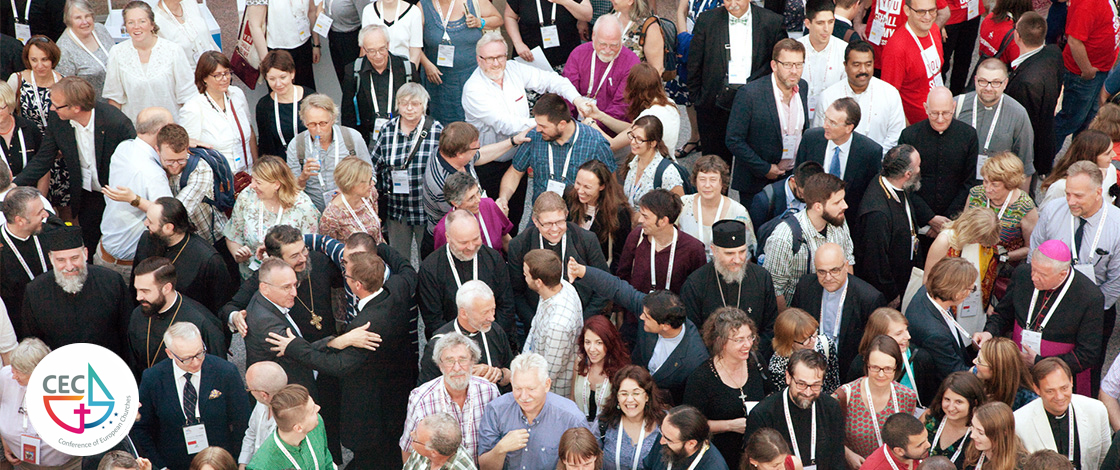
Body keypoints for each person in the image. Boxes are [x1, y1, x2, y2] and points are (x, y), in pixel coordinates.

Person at [263, 247, 416, 469]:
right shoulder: (397, 291)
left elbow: (339, 365)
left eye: (348, 274)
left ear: (358, 286)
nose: (345, 276)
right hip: (396, 395)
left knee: (373, 459)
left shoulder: (366, 324)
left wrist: (294, 347)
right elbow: (407, 269)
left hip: (371, 411)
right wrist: (382, 246)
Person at [15, 77, 135, 251]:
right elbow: (43, 159)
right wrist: (14, 184)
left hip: (118, 195)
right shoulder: (58, 120)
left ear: (76, 108)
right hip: (87, 194)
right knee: (89, 241)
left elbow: (132, 163)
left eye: (56, 105)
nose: (51, 108)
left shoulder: (116, 123)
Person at [977, 241, 1104, 396]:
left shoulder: (1090, 297)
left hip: (1059, 375)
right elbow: (1003, 314)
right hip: (1018, 367)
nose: (1033, 278)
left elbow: (1088, 353)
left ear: (1062, 274)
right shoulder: (1022, 274)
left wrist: (1039, 362)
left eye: (1042, 274)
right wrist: (989, 333)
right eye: (1033, 270)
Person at [574, 259, 709, 404]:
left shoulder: (695, 358)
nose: (640, 316)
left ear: (665, 326)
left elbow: (690, 402)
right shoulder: (651, 307)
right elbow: (617, 288)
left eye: (647, 317)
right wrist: (582, 271)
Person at [132, 322, 252, 470]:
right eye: (187, 358)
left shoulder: (225, 372)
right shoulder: (153, 378)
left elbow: (243, 422)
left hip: (218, 463)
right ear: (170, 354)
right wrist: (160, 466)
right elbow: (142, 428)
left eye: (199, 353)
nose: (195, 362)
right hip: (174, 464)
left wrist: (237, 461)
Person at [1030, 160, 1120, 355]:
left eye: (1078, 196)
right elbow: (1035, 251)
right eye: (1068, 194)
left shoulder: (1117, 225)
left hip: (1095, 309)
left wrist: (1087, 310)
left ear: (1098, 192)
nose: (1070, 201)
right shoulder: (1052, 210)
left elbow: (1116, 281)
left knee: (1087, 367)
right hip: (1049, 299)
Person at [686, 0, 786, 161]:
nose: (732, 3)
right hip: (714, 104)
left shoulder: (772, 21)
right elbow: (694, 62)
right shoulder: (707, 20)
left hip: (755, 104)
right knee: (715, 165)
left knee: (752, 164)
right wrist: (699, 100)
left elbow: (777, 64)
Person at [495, 92, 612, 222]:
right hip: (541, 216)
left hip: (577, 219)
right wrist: (504, 198)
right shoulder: (534, 137)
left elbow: (610, 182)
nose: (538, 129)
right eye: (537, 124)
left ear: (562, 124)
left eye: (543, 126)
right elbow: (515, 171)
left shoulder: (595, 142)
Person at [22, 222, 131, 357]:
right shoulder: (36, 291)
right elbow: (32, 341)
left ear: (85, 254)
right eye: (61, 260)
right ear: (51, 258)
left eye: (74, 258)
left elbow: (127, 333)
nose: (69, 266)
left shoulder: (111, 282)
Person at [726, 39, 810, 201]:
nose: (794, 71)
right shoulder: (750, 94)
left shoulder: (803, 88)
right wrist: (764, 168)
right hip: (757, 182)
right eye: (788, 65)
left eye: (799, 65)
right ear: (774, 65)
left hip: (791, 179)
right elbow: (734, 139)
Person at [95, 107, 175, 275]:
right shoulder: (152, 173)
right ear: (160, 131)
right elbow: (168, 215)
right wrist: (135, 200)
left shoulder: (124, 148)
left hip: (104, 250)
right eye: (171, 128)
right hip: (128, 264)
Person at [789, 242, 886, 380]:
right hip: (808, 367)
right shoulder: (805, 287)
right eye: (821, 271)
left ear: (846, 266)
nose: (828, 277)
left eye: (834, 270)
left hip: (848, 372)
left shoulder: (869, 299)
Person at [684, 308, 768, 465]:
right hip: (720, 456)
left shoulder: (756, 362)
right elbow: (691, 425)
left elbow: (770, 395)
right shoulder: (701, 378)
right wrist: (730, 425)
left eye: (750, 337)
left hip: (756, 454)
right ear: (720, 341)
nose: (748, 344)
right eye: (739, 340)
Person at [477, 352, 590, 469]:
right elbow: (485, 467)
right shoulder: (496, 410)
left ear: (547, 385)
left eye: (531, 389)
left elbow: (586, 463)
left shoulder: (571, 418)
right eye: (518, 388)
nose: (524, 396)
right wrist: (501, 448)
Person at [422, 122, 524, 251]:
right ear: (459, 153)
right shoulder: (442, 186)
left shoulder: (448, 153)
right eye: (475, 148)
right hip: (454, 240)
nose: (478, 149)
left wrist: (514, 141)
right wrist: (496, 212)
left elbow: (480, 155)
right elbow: (465, 218)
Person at [680, 219, 779, 352]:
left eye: (742, 252)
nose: (737, 260)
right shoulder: (696, 283)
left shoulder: (761, 277)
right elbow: (692, 334)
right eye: (729, 253)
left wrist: (749, 355)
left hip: (753, 356)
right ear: (714, 251)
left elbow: (770, 327)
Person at [370, 82, 442, 264]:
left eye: (415, 104)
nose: (409, 108)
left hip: (425, 209)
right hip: (396, 210)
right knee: (398, 260)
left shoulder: (437, 131)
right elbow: (373, 164)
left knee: (428, 259)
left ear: (424, 105)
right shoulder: (387, 129)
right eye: (404, 103)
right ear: (397, 105)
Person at [510, 195, 609, 325]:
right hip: (538, 320)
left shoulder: (587, 240)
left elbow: (603, 286)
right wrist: (535, 322)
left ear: (566, 214)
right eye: (548, 224)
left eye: (560, 222)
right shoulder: (519, 245)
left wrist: (582, 322)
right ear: (535, 221)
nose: (555, 229)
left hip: (580, 320)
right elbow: (516, 292)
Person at [403, 333, 503, 460]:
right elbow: (408, 448)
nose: (457, 368)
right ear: (440, 365)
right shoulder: (421, 398)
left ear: (473, 362)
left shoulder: (489, 391)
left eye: (462, 360)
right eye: (450, 361)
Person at [763, 172, 855, 309]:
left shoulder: (838, 219)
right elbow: (776, 290)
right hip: (798, 315)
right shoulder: (784, 238)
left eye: (843, 199)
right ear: (818, 207)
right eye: (837, 202)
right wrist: (789, 326)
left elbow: (848, 262)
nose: (845, 205)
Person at [418, 210, 516, 337]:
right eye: (463, 243)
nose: (471, 247)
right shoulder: (430, 269)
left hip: (492, 336)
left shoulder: (493, 259)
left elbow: (506, 305)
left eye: (476, 239)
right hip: (451, 344)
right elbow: (434, 320)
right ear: (448, 238)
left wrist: (492, 337)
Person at [854, 145, 932, 306]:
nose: (920, 169)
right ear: (907, 174)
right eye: (918, 165)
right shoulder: (877, 213)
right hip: (890, 290)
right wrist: (891, 295)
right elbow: (875, 261)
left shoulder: (896, 186)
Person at [744, 349, 845, 470]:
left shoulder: (831, 408)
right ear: (788, 377)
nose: (808, 392)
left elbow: (837, 460)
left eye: (815, 385)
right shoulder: (763, 414)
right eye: (801, 384)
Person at [127, 256, 226, 376]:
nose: (138, 297)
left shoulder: (202, 322)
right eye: (137, 290)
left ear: (166, 288)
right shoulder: (138, 314)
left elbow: (218, 371)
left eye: (145, 291)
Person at [224, 156, 320, 279]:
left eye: (258, 182)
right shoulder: (247, 196)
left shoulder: (303, 207)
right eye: (253, 179)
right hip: (252, 277)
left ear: (276, 184)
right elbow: (233, 235)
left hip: (289, 279)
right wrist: (238, 255)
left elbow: (310, 250)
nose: (252, 185)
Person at [835, 335, 921, 465]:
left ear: (897, 367)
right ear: (867, 364)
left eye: (887, 369)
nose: (881, 375)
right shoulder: (845, 395)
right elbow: (827, 434)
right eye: (875, 367)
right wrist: (847, 454)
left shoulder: (907, 397)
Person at [102, 2, 193, 122]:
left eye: (142, 21)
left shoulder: (174, 50)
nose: (136, 26)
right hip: (136, 132)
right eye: (131, 22)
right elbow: (115, 99)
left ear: (152, 24)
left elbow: (188, 96)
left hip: (170, 130)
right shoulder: (116, 52)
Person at [1014, 358, 1111, 470]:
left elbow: (1106, 460)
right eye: (1050, 391)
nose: (1059, 397)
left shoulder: (1096, 410)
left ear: (1071, 382)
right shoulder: (1019, 422)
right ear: (1037, 389)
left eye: (1064, 388)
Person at [418, 0, 503, 126]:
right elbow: (411, 41)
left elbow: (498, 19)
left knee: (475, 124)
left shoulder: (474, 2)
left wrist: (480, 22)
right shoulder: (423, 6)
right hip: (438, 81)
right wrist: (426, 64)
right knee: (443, 126)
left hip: (473, 76)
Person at [899, 87, 978, 221]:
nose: (940, 119)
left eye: (946, 113)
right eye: (934, 113)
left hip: (954, 219)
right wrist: (929, 218)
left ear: (954, 107)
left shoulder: (968, 135)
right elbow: (904, 180)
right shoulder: (909, 136)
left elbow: (969, 182)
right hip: (917, 218)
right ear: (926, 108)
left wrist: (946, 220)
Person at [905, 258, 978, 401]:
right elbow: (956, 372)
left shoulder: (927, 291)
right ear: (957, 293)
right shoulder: (935, 335)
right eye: (971, 288)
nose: (971, 292)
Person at [0, 338, 80, 468]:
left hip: (65, 465)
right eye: (13, 369)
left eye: (20, 373)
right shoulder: (6, 377)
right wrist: (5, 440)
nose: (14, 376)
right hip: (23, 463)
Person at [1050, 0, 1119, 151]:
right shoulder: (1086, 5)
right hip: (1083, 76)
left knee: (1088, 120)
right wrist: (1086, 69)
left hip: (1100, 71)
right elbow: (1074, 41)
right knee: (1070, 120)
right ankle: (1045, 163)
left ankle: (1077, 157)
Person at [815, 42, 906, 154]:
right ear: (845, 65)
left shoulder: (890, 94)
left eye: (868, 64)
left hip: (879, 164)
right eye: (856, 65)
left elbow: (895, 137)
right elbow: (821, 135)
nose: (863, 70)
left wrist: (874, 160)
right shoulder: (829, 96)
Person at [795, 97, 884, 213]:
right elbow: (798, 175)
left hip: (848, 219)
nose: (825, 125)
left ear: (849, 128)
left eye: (832, 123)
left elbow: (870, 194)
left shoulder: (870, 152)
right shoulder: (811, 138)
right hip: (812, 214)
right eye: (825, 118)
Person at [286, 94, 373, 212]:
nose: (318, 130)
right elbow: (292, 190)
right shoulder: (296, 144)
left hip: (349, 210)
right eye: (311, 124)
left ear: (332, 119)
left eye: (323, 123)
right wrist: (303, 177)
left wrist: (348, 190)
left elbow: (371, 176)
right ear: (304, 122)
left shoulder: (352, 138)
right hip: (313, 212)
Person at [418, 280, 513, 386]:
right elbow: (426, 390)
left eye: (493, 310)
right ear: (463, 313)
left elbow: (512, 373)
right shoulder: (438, 344)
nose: (492, 317)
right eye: (485, 312)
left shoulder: (495, 330)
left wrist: (499, 375)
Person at [953, 59, 1036, 180]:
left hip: (997, 189)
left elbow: (1025, 165)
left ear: (1005, 83)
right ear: (975, 80)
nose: (988, 88)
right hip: (960, 185)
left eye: (995, 82)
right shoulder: (956, 105)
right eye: (983, 81)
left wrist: (1021, 198)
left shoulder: (1018, 114)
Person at [922, 209, 1001, 333]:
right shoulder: (945, 240)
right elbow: (927, 281)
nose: (979, 243)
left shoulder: (984, 242)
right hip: (949, 305)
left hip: (975, 306)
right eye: (977, 239)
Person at [179, 51, 256, 179]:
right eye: (217, 75)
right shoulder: (193, 108)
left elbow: (250, 132)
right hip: (222, 181)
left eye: (226, 73)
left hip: (249, 175)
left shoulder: (237, 95)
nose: (224, 79)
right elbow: (189, 150)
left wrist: (257, 166)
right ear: (204, 78)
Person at [1003, 12, 1061, 176]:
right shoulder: (1054, 52)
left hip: (1029, 153)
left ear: (1017, 36)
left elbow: (1023, 125)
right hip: (1046, 136)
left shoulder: (1025, 83)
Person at [618, 189, 707, 295]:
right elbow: (623, 276)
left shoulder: (693, 249)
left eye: (645, 216)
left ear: (663, 221)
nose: (640, 220)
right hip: (637, 309)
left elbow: (698, 290)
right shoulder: (636, 237)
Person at [521, 248, 584, 396]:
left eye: (526, 274)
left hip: (553, 393)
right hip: (533, 366)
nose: (523, 277)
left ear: (538, 282)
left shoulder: (558, 326)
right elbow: (535, 327)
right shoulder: (558, 285)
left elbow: (548, 373)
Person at [581, 62, 679, 153]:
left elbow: (612, 145)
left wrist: (590, 124)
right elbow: (632, 129)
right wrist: (600, 115)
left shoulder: (648, 116)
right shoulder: (669, 103)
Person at [963, 152, 1037, 270]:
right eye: (985, 181)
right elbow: (963, 226)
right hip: (970, 260)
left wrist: (1000, 256)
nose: (987, 188)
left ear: (1010, 184)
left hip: (1004, 267)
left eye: (995, 185)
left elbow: (1031, 247)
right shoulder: (975, 194)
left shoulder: (1024, 207)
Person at [562, 15, 639, 126]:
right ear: (593, 36)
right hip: (575, 124)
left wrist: (594, 126)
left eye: (614, 45)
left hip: (611, 128)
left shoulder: (632, 62)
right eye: (602, 44)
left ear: (621, 39)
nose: (607, 50)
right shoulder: (578, 53)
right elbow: (567, 94)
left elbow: (621, 107)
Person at [849, 309, 936, 404]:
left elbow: (930, 399)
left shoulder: (921, 358)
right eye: (899, 334)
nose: (908, 336)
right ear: (880, 337)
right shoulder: (860, 365)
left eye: (906, 330)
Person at [342, 25, 411, 144]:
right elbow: (348, 113)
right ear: (363, 49)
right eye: (372, 51)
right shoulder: (353, 71)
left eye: (382, 49)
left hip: (403, 136)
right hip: (369, 138)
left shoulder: (406, 69)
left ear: (388, 45)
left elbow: (421, 105)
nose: (378, 55)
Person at [879, 0, 944, 125]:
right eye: (921, 12)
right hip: (916, 125)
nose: (928, 17)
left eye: (932, 10)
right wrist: (907, 129)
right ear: (907, 10)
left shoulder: (934, 30)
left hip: (937, 116)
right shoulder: (896, 48)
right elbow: (889, 96)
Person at [678, 155, 755, 259]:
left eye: (713, 179)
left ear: (722, 182)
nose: (707, 185)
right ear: (695, 181)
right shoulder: (683, 204)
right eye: (702, 179)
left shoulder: (738, 212)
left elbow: (748, 251)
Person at [592, 365, 664, 469]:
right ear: (617, 397)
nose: (630, 399)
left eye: (636, 393)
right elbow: (588, 458)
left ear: (647, 396)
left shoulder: (663, 424)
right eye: (624, 394)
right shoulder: (604, 422)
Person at [245, 384, 333, 470]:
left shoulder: (317, 423)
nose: (318, 408)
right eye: (312, 411)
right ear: (298, 428)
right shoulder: (263, 466)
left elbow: (326, 458)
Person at [567, 159, 631, 270]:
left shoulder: (618, 212)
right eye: (578, 183)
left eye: (587, 187)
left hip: (598, 273)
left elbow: (621, 254)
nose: (580, 191)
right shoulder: (569, 197)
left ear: (602, 186)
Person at [0, 187, 50, 328]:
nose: (46, 214)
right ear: (20, 220)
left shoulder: (50, 233)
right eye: (40, 212)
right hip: (21, 324)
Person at [243, 0, 317, 91]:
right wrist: (267, 63)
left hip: (304, 46)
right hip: (276, 52)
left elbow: (312, 11)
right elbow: (255, 26)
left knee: (307, 93)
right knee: (281, 95)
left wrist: (316, 44)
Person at [254, 51, 315, 158]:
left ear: (292, 74)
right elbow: (264, 144)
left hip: (311, 161)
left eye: (283, 77)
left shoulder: (311, 99)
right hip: (281, 167)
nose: (278, 84)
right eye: (272, 79)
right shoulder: (264, 106)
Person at [617, 115, 685, 210]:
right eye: (632, 136)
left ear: (653, 143)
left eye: (639, 139)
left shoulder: (668, 173)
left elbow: (679, 208)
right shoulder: (633, 161)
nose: (632, 142)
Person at [433, 172, 510, 252]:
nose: (478, 200)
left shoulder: (489, 205)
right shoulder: (443, 229)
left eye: (478, 192)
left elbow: (505, 239)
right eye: (471, 198)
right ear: (455, 203)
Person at [769, 308, 841, 394]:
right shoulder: (778, 365)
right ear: (790, 342)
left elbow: (834, 384)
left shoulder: (826, 345)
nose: (813, 341)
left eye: (814, 334)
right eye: (805, 340)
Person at [921, 372, 985, 468]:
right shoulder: (930, 419)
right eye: (947, 399)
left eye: (958, 402)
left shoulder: (981, 434)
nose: (951, 408)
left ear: (974, 403)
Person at [1038, 131, 1118, 207]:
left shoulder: (1110, 169)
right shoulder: (1062, 185)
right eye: (1107, 153)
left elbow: (1111, 201)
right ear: (1091, 156)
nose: (1113, 155)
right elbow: (1047, 214)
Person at [505, 0, 589, 72]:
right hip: (530, 58)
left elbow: (587, 15)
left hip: (566, 59)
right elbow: (510, 17)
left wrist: (565, 1)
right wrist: (518, 43)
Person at [54, 0, 114, 100]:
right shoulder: (64, 49)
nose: (85, 22)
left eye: (87, 16)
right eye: (78, 18)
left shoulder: (100, 29)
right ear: (69, 20)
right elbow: (67, 89)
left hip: (118, 99)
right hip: (91, 106)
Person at [573, 316, 629, 421]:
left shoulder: (621, 371)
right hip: (581, 429)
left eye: (599, 343)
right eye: (588, 342)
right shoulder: (580, 362)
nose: (592, 349)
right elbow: (572, 399)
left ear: (609, 342)